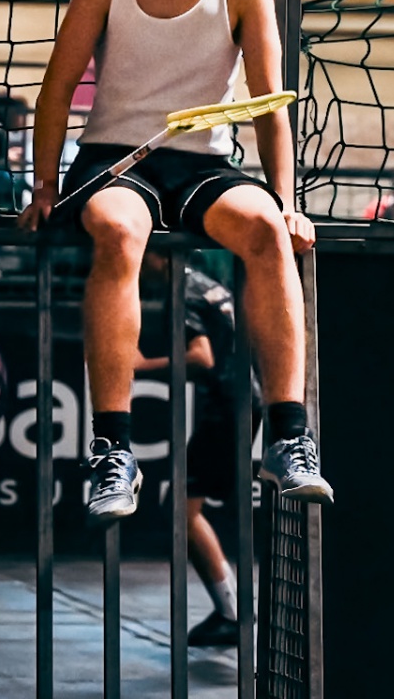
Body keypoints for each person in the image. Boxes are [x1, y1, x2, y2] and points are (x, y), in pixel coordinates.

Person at [21, 0, 331, 527]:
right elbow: (57, 89)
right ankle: (112, 451)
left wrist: (287, 204)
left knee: (264, 229)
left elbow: (269, 106)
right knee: (118, 229)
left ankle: (288, 437)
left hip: (201, 164)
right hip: (115, 159)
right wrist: (43, 186)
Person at [137, 250, 261, 648]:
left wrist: (138, 367)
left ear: (159, 256)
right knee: (183, 508)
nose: (138, 265)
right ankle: (232, 612)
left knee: (181, 510)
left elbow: (201, 358)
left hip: (229, 405)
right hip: (240, 401)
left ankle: (232, 615)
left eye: (143, 256)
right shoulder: (206, 285)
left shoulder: (183, 291)